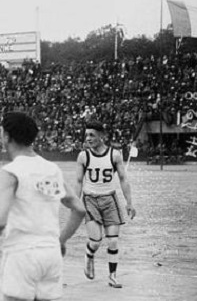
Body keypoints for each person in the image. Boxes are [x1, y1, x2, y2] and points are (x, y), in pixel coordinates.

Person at [0, 112, 86, 301]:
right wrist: (61, 240)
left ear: (7, 136)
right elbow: (79, 209)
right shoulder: (52, 169)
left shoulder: (10, 172)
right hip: (51, 254)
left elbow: (0, 221)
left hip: (22, 254)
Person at [76, 121, 135, 288]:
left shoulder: (114, 155)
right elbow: (78, 181)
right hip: (90, 200)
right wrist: (76, 203)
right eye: (86, 135)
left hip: (110, 200)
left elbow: (123, 179)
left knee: (113, 241)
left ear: (102, 136)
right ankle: (89, 255)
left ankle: (112, 277)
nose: (88, 138)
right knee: (95, 241)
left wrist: (129, 203)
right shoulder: (83, 156)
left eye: (92, 135)